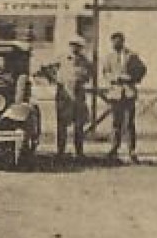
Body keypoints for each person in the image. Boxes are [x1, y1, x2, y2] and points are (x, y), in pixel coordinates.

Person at [100, 31, 146, 163]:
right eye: (113, 41)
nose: (115, 43)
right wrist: (115, 78)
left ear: (122, 41)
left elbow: (142, 69)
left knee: (129, 123)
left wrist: (133, 78)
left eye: (118, 40)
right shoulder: (108, 57)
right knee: (116, 122)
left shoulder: (131, 56)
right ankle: (114, 148)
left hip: (128, 93)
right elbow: (105, 72)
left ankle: (131, 150)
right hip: (115, 94)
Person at [53, 36, 92, 161]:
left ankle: (79, 152)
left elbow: (89, 76)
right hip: (64, 98)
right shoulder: (61, 58)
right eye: (72, 45)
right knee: (62, 126)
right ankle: (60, 152)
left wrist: (80, 79)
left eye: (77, 45)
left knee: (79, 126)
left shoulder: (85, 61)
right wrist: (56, 81)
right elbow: (47, 70)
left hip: (79, 98)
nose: (74, 47)